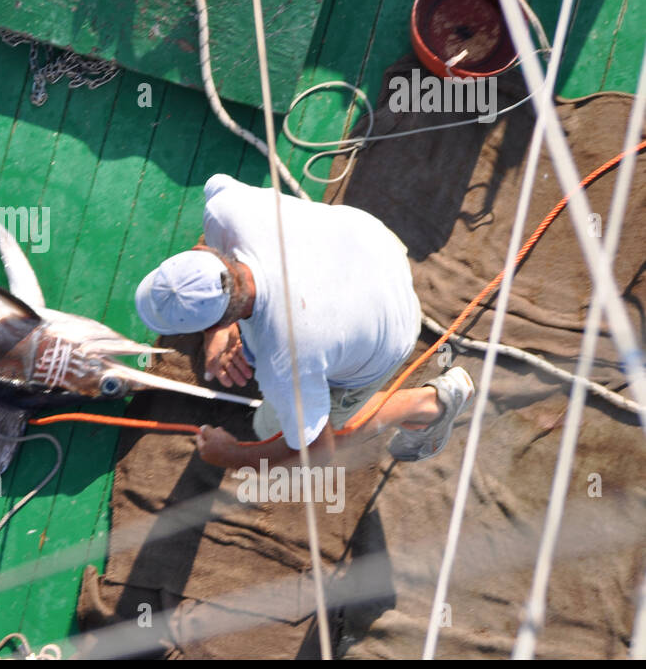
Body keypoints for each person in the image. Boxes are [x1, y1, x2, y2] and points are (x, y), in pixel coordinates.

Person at [134, 174, 474, 469]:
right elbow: (205, 248)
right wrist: (220, 329)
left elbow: (318, 450)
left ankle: (430, 405)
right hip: (378, 248)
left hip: (393, 331)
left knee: (272, 429)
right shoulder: (227, 210)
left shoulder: (285, 360)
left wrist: (233, 455)